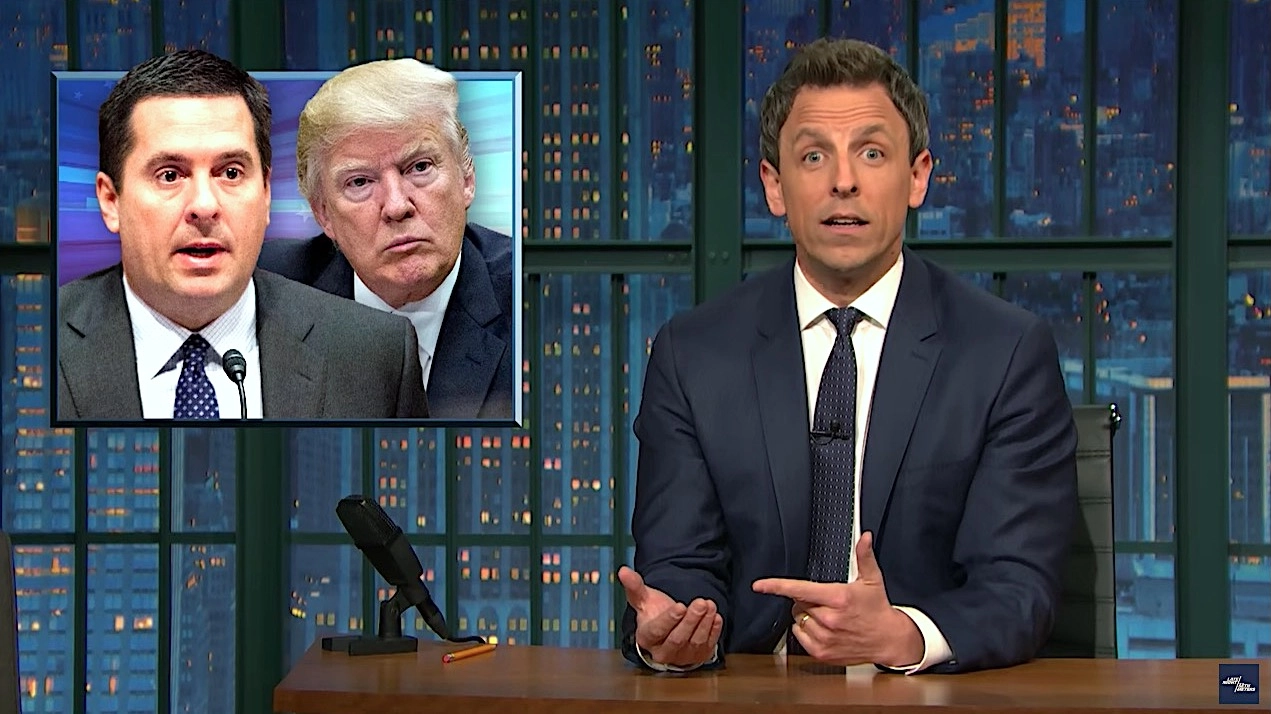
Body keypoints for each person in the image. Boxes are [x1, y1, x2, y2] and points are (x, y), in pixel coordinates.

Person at [618, 38, 1078, 675]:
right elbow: (677, 566)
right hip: (751, 692)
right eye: (814, 156)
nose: (843, 181)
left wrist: (903, 637)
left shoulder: (1004, 354)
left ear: (917, 176)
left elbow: (1017, 586)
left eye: (872, 153)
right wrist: (679, 633)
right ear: (774, 186)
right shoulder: (694, 355)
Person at [57, 50, 430, 421]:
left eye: (231, 173)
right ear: (111, 201)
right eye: (170, 175)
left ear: (266, 193)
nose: (205, 206)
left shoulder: (374, 355)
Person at [257, 58, 515, 420]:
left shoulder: (527, 294)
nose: (396, 206)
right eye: (360, 182)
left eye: (420, 167)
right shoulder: (265, 290)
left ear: (466, 179)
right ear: (323, 214)